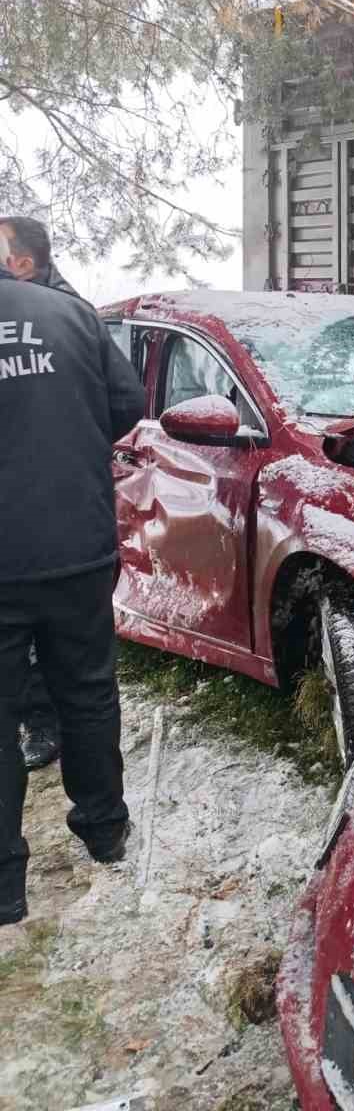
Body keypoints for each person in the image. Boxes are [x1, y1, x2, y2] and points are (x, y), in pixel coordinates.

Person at [0, 229, 146, 925]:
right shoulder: (71, 314)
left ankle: (5, 886)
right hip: (76, 540)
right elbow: (129, 406)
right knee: (88, 691)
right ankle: (104, 829)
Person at [0, 217, 86, 773]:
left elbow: (120, 401)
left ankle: (53, 723)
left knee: (58, 635)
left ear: (24, 263)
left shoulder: (65, 314)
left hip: (60, 498)